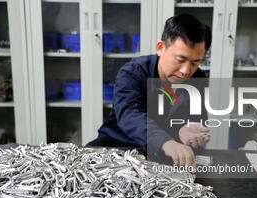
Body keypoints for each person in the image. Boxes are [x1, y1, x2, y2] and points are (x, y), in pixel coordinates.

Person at [87, 13, 212, 167]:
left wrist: (185, 131)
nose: (186, 71)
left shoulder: (197, 79)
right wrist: (164, 141)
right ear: (161, 48)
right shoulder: (132, 72)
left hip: (164, 154)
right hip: (119, 144)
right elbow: (129, 114)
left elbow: (197, 118)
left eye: (195, 62)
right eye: (180, 60)